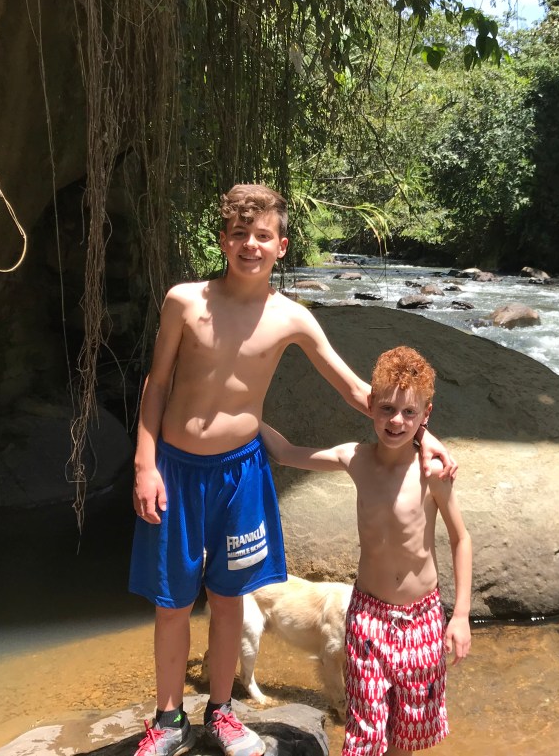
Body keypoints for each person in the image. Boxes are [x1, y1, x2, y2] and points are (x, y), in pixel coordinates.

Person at [128, 185, 456, 756]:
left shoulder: (291, 318)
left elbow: (359, 392)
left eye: (262, 236)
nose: (249, 245)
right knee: (172, 602)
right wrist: (144, 462)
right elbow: (157, 385)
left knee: (230, 599)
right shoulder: (184, 301)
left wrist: (425, 435)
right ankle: (168, 718)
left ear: (281, 246)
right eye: (239, 234)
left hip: (241, 476)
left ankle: (222, 712)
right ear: (223, 240)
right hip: (176, 471)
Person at [260, 345, 472, 756]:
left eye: (409, 413)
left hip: (422, 618)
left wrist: (460, 615)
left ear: (425, 415)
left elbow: (461, 538)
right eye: (387, 409)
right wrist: (246, 415)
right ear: (370, 405)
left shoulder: (432, 472)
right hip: (368, 617)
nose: (397, 421)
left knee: (406, 735)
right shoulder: (354, 458)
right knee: (365, 732)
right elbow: (285, 454)